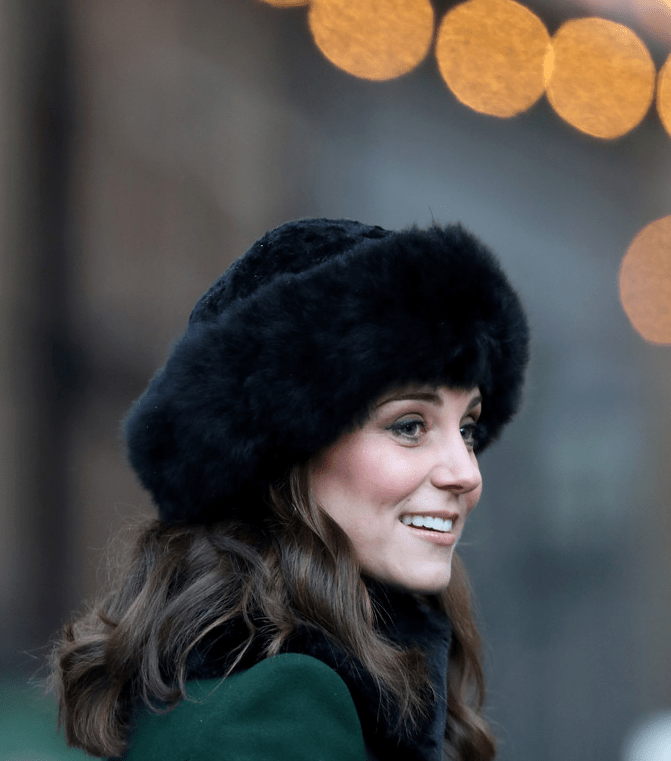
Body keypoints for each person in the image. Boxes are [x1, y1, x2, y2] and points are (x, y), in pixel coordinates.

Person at [51, 218, 529, 761]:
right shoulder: (275, 711)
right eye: (409, 426)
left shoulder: (288, 683)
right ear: (282, 451)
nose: (467, 474)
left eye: (467, 429)